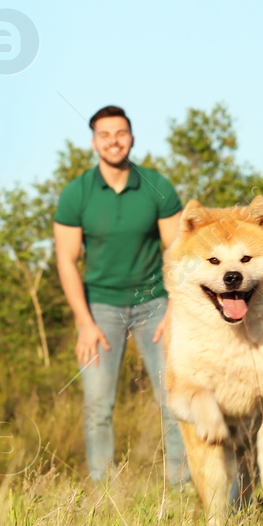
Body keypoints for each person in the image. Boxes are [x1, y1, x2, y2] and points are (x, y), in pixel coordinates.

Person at [53, 105, 189, 486]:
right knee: (98, 404)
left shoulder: (156, 186)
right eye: (105, 134)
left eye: (121, 133)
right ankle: (103, 494)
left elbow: (178, 253)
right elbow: (66, 260)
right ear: (94, 141)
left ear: (131, 137)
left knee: (174, 400)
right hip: (100, 309)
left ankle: (181, 490)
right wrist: (84, 322)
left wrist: (174, 311)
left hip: (155, 304)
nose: (114, 141)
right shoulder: (76, 193)